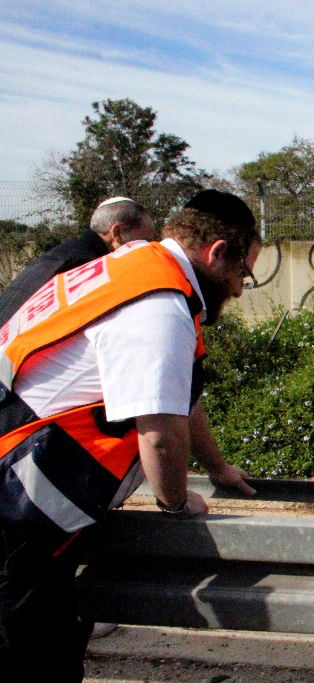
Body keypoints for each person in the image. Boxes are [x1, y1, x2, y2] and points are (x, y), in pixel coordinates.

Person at [0, 189, 260, 682]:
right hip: (16, 516)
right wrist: (177, 504)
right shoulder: (160, 306)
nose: (241, 289)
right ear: (217, 252)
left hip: (26, 504)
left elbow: (179, 394)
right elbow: (159, 432)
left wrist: (217, 466)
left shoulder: (134, 267)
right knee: (31, 661)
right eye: (242, 273)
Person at [0, 196, 158, 325]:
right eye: (145, 240)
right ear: (117, 232)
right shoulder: (87, 266)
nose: (149, 246)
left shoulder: (69, 251)